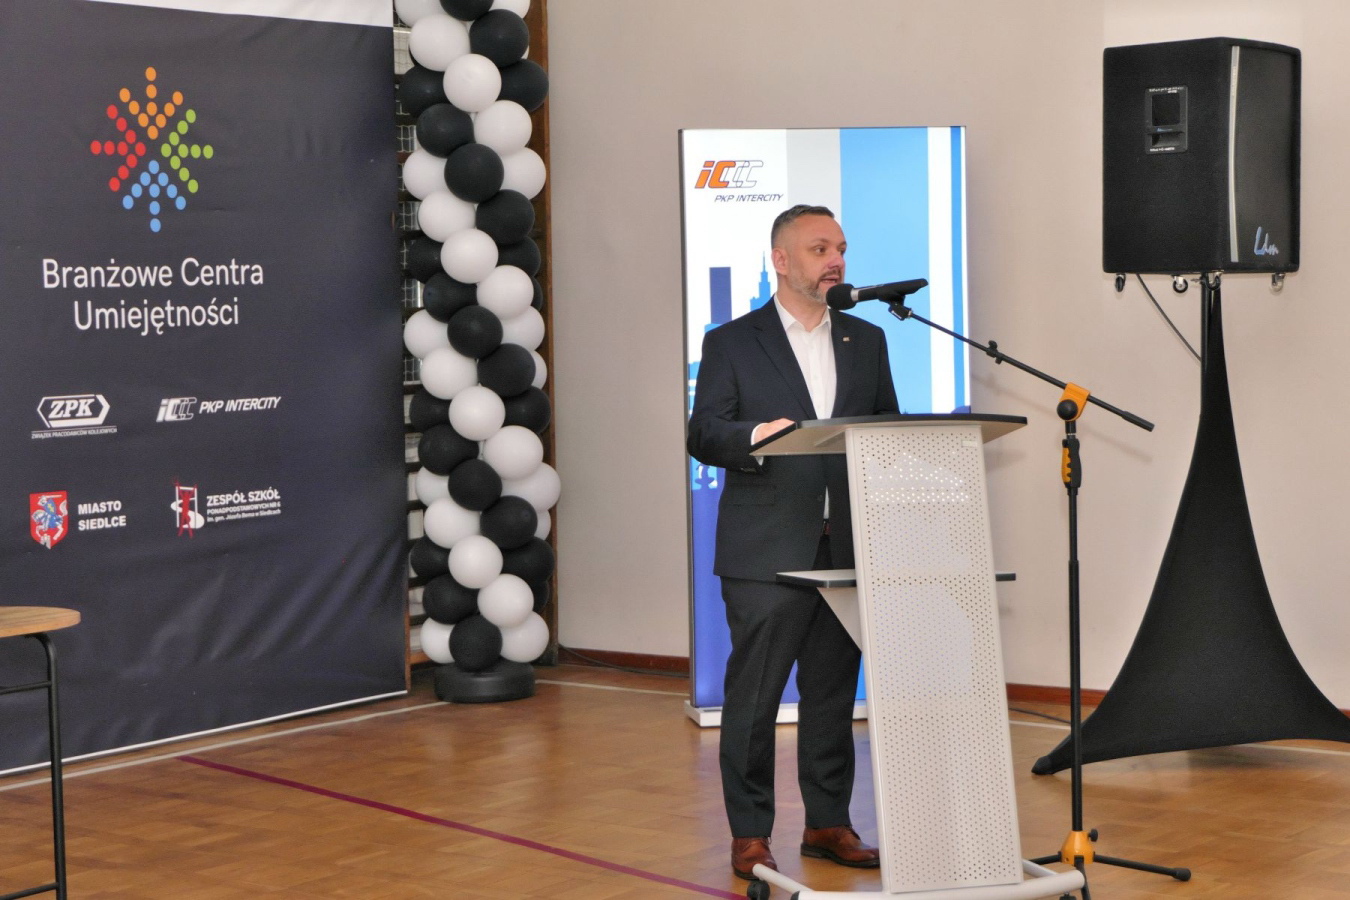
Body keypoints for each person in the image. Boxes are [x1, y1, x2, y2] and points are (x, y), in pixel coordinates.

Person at [687, 204, 898, 879]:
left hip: (846, 546)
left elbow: (886, 428)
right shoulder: (732, 342)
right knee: (755, 698)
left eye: (840, 248)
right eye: (819, 249)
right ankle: (750, 833)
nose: (835, 260)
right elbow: (704, 432)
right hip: (766, 547)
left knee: (833, 695)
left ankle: (827, 822)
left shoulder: (866, 339)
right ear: (781, 260)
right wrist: (754, 436)